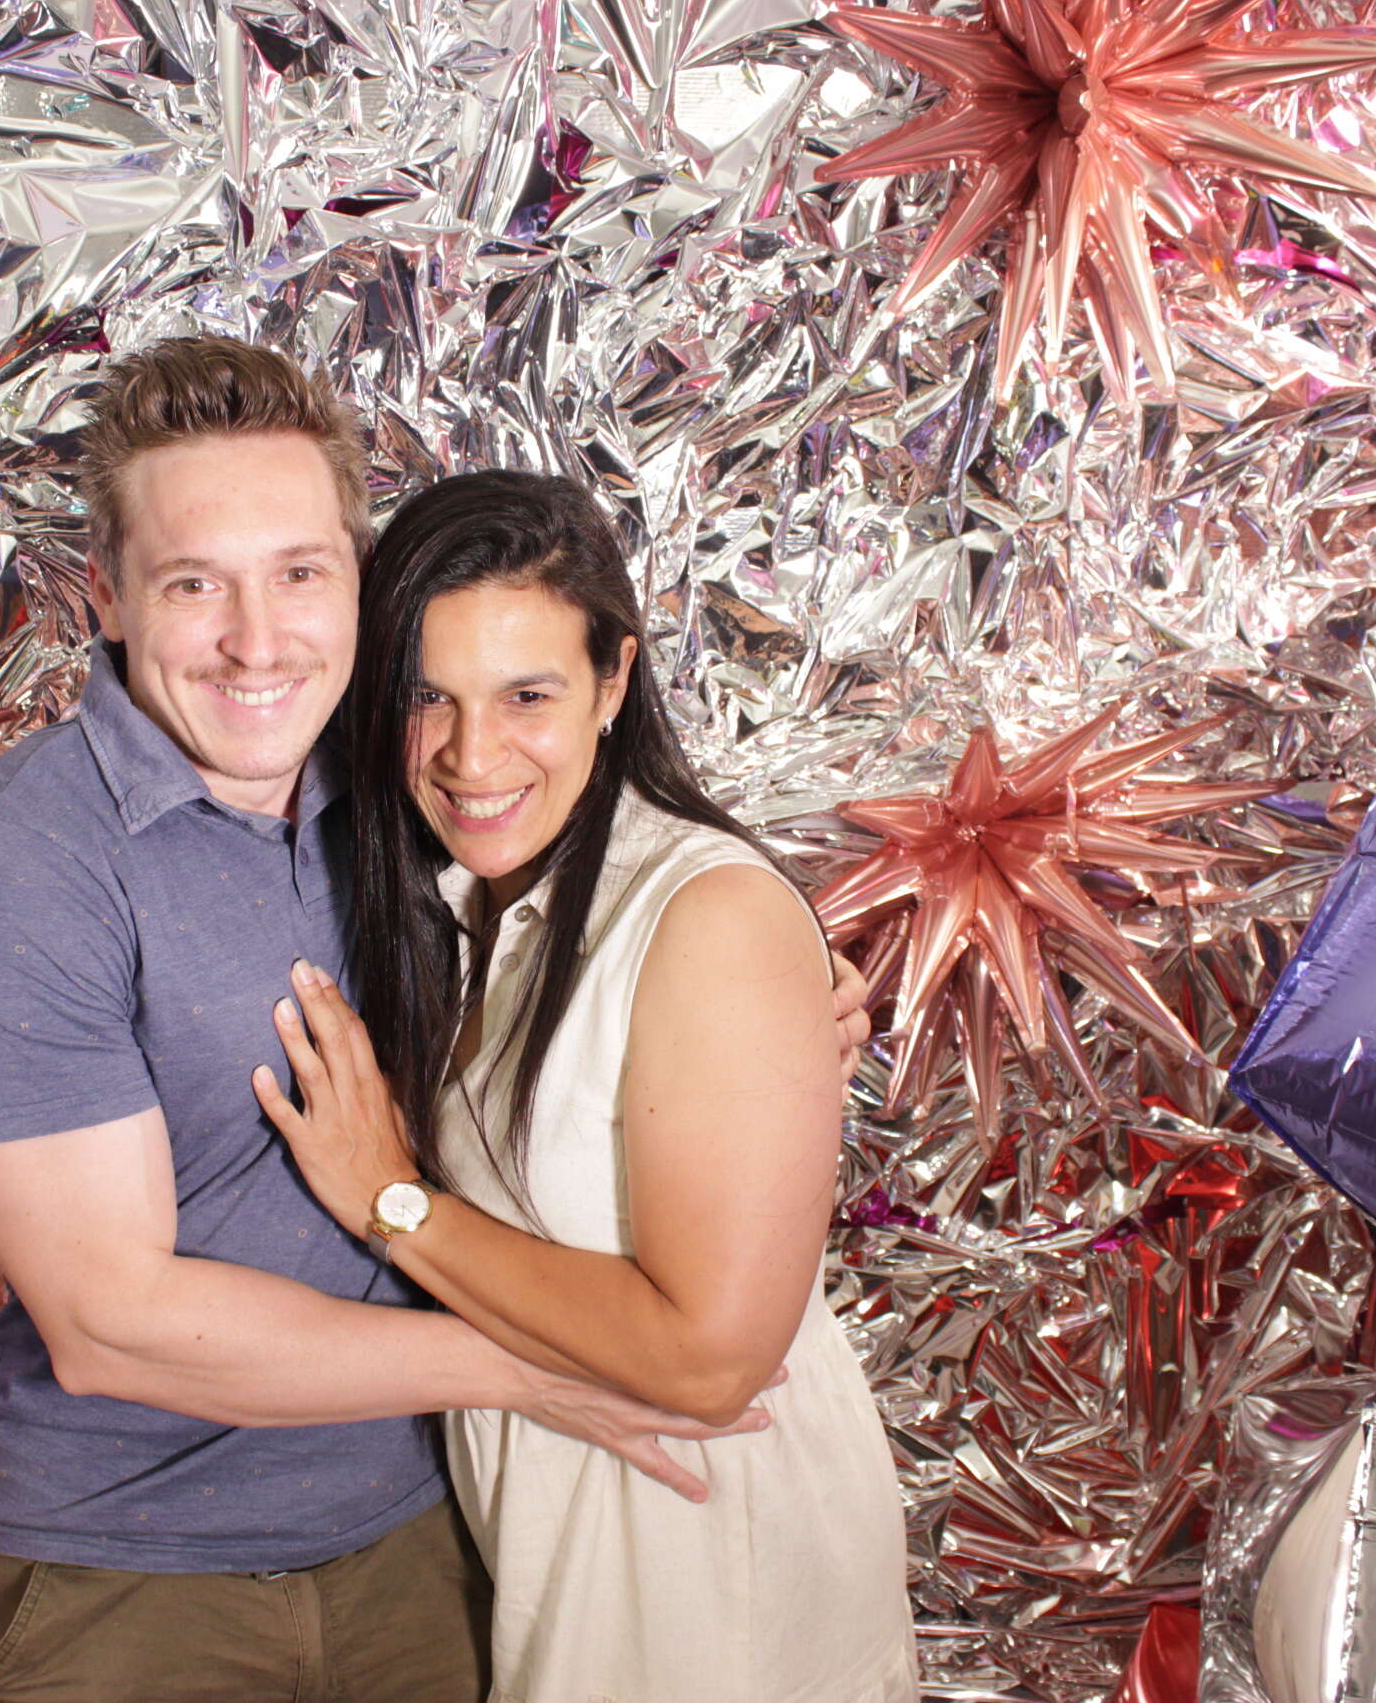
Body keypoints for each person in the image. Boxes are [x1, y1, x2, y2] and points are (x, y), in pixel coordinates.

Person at [0, 339, 872, 1702]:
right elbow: (113, 1324)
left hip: (435, 1539)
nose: (257, 640)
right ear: (106, 595)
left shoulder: (416, 788)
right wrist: (525, 1367)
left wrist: (758, 1020)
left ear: (356, 577)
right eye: (194, 583)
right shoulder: (22, 874)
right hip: (141, 1574)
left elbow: (606, 940)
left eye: (299, 573)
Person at [251, 470, 921, 1703]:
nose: (471, 754)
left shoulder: (699, 913)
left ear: (613, 683)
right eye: (427, 697)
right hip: (569, 1564)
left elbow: (711, 1361)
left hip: (713, 1576)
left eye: (528, 695)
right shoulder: (465, 908)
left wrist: (393, 1201)